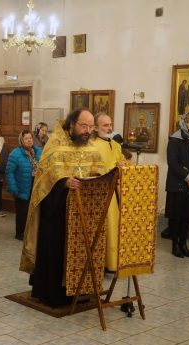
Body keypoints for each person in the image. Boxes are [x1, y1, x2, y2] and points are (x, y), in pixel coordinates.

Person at [20, 109, 106, 307]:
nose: (87, 130)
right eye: (84, 126)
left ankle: (80, 290)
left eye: (91, 126)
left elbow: (100, 172)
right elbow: (43, 180)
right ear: (72, 124)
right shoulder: (55, 147)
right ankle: (53, 293)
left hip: (84, 212)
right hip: (57, 212)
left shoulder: (92, 148)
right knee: (55, 251)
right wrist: (63, 183)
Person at [165, 112, 189, 258]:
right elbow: (173, 163)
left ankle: (183, 244)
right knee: (176, 216)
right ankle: (175, 245)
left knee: (187, 216)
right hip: (177, 185)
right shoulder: (174, 140)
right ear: (183, 123)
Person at [91, 113, 127, 271]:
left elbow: (122, 161)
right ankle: (103, 263)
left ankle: (113, 262)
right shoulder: (91, 144)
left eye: (110, 124)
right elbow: (92, 168)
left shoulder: (116, 144)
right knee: (106, 227)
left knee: (115, 227)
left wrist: (123, 165)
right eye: (105, 125)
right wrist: (112, 168)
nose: (109, 128)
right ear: (96, 127)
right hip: (101, 191)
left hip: (117, 191)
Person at [6, 130, 42, 241]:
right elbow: (9, 172)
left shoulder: (39, 152)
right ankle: (20, 233)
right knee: (22, 211)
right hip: (21, 186)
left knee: (35, 210)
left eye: (30, 138)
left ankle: (32, 231)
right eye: (26, 138)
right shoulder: (15, 154)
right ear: (21, 140)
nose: (29, 140)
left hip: (36, 185)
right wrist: (13, 188)